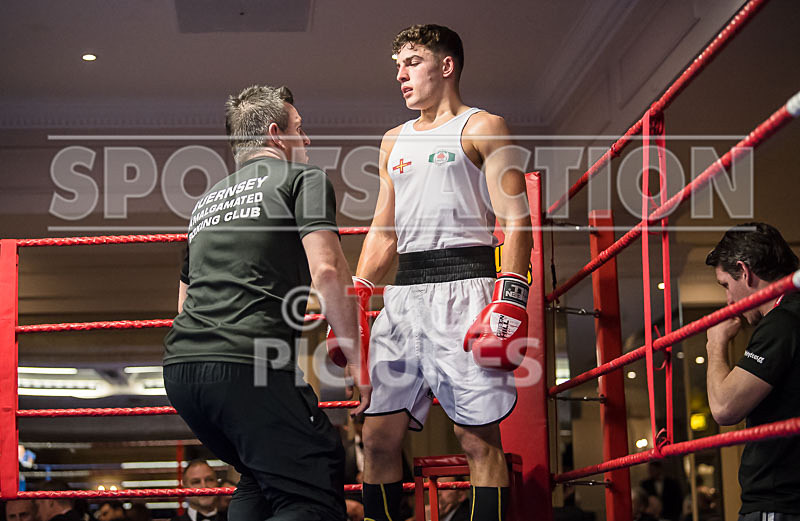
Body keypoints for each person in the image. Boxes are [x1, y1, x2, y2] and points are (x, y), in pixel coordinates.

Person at [352, 24, 533, 521]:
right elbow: (383, 231)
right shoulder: (393, 140)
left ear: (446, 65)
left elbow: (516, 220)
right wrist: (359, 291)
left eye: (411, 62)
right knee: (377, 437)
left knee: (476, 440)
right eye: (397, 67)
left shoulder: (483, 126)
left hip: (467, 289)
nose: (401, 75)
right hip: (403, 295)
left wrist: (510, 298)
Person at [164, 84, 367, 521]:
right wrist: (356, 359)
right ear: (277, 134)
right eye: (300, 128)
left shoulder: (204, 204)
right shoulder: (302, 179)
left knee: (263, 473)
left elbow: (183, 303)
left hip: (182, 372)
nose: (306, 139)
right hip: (246, 364)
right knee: (315, 475)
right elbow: (328, 270)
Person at [704, 222, 800, 519]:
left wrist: (715, 344)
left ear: (744, 272)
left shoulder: (782, 322)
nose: (728, 301)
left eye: (725, 285)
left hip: (780, 503)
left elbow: (724, 407)